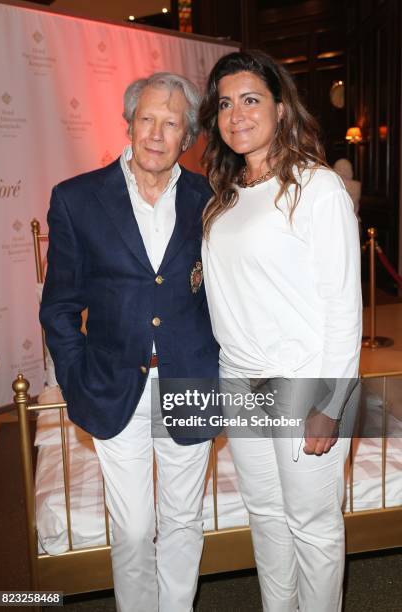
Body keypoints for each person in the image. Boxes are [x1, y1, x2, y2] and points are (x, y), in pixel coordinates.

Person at [40, 72, 219, 612]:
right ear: (129, 123)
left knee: (185, 521)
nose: (157, 134)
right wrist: (76, 380)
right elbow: (60, 307)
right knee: (137, 529)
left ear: (188, 136)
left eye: (171, 123)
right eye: (148, 119)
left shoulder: (211, 199)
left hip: (192, 379)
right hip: (113, 384)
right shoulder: (76, 199)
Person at [200, 51, 362, 612]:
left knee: (313, 528)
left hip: (301, 384)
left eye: (250, 100)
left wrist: (331, 401)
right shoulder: (222, 197)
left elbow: (343, 305)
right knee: (266, 520)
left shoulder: (316, 189)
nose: (236, 114)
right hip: (239, 382)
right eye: (225, 103)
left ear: (279, 106)